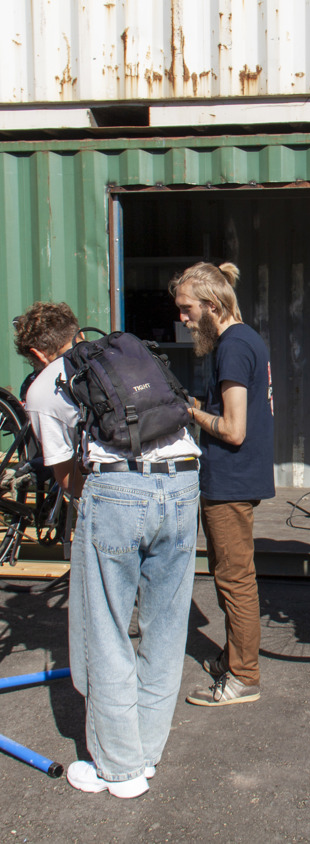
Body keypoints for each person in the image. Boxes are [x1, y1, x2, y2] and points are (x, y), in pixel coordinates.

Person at [13, 302, 200, 799]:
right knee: (166, 626)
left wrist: (101, 501)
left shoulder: (44, 386)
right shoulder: (126, 353)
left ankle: (119, 768)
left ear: (37, 352)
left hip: (118, 488)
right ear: (75, 333)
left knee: (106, 629)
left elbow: (67, 478)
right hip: (184, 481)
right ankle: (146, 753)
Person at [170, 262, 274, 706]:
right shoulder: (243, 340)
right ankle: (233, 657)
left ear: (212, 305)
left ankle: (243, 677)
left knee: (235, 580)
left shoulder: (233, 347)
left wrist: (191, 413)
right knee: (229, 575)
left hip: (230, 479)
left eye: (188, 309)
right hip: (234, 477)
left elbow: (233, 430)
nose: (183, 319)